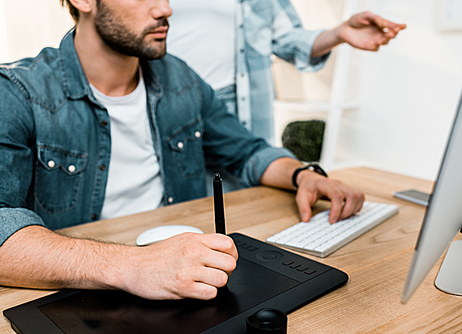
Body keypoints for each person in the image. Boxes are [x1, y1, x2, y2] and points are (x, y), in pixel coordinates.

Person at [0, 0, 364, 301]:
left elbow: (245, 151)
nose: (165, 9)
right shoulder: (19, 93)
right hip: (83, 292)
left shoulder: (180, 78)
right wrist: (134, 266)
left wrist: (301, 175)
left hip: (183, 279)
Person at [168, 0, 406, 144]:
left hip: (240, 108)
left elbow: (286, 38)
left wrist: (339, 33)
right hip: (171, 104)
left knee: (243, 201)